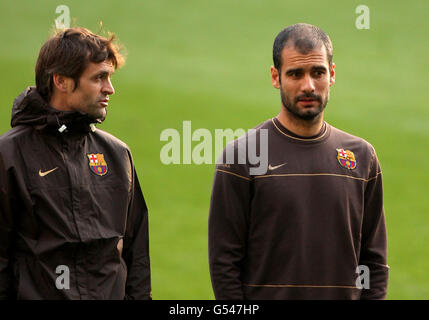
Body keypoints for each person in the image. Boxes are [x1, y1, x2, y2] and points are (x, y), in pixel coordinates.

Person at [208, 23, 389, 300]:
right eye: (295, 74)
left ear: (332, 75)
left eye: (318, 72)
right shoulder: (241, 157)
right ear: (275, 77)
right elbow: (224, 263)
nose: (308, 86)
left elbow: (374, 261)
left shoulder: (362, 157)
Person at [0, 27, 151, 299]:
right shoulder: (10, 155)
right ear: (62, 81)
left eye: (110, 77)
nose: (110, 88)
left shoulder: (117, 155)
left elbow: (136, 254)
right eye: (99, 78)